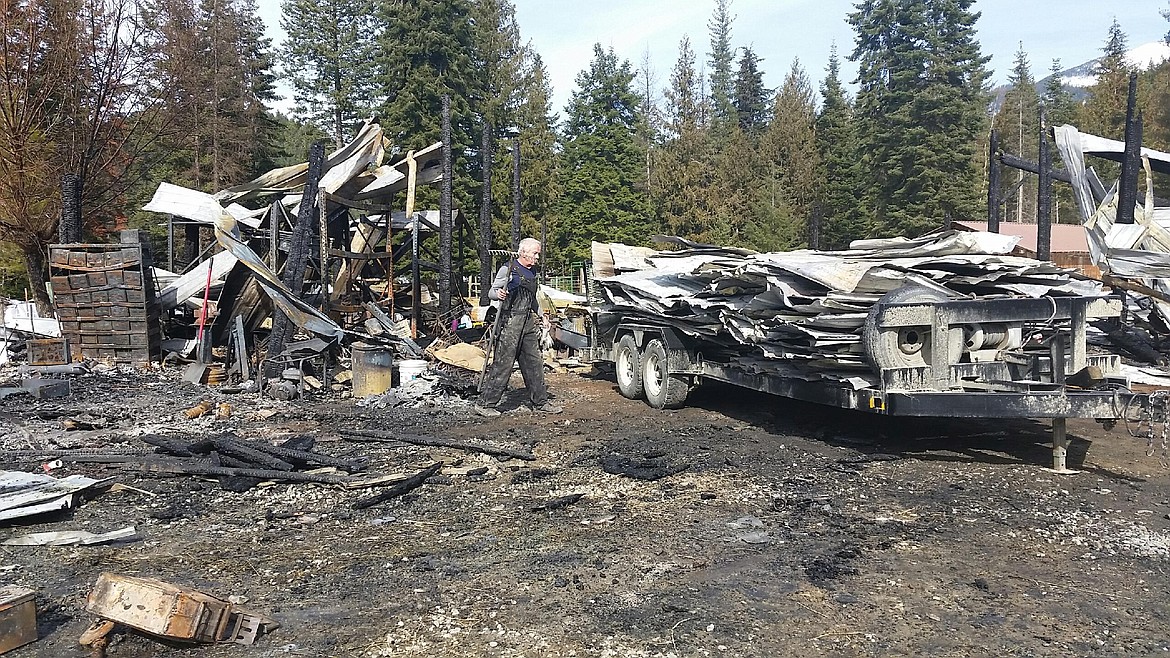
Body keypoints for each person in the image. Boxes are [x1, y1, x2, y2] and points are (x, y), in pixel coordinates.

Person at [476, 238, 562, 416]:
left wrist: (541, 315)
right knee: (504, 363)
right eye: (535, 253)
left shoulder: (533, 272)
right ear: (523, 252)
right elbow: (491, 291)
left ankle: (540, 402)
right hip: (509, 322)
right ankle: (485, 404)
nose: (537, 256)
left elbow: (532, 298)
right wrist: (498, 293)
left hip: (527, 322)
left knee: (534, 362)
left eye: (538, 253)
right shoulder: (508, 269)